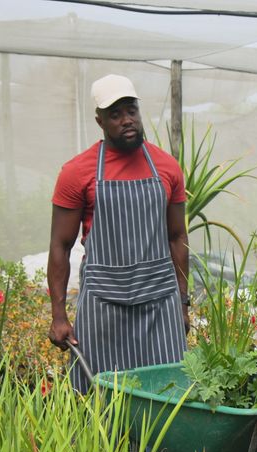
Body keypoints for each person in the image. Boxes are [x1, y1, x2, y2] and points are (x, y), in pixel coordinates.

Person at [47, 73, 191, 394]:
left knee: (169, 394)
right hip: (103, 307)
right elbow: (60, 245)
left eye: (131, 111)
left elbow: (177, 237)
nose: (127, 120)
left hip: (160, 305)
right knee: (100, 401)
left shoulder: (167, 167)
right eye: (115, 114)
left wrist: (182, 303)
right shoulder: (77, 172)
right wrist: (59, 315)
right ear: (100, 121)